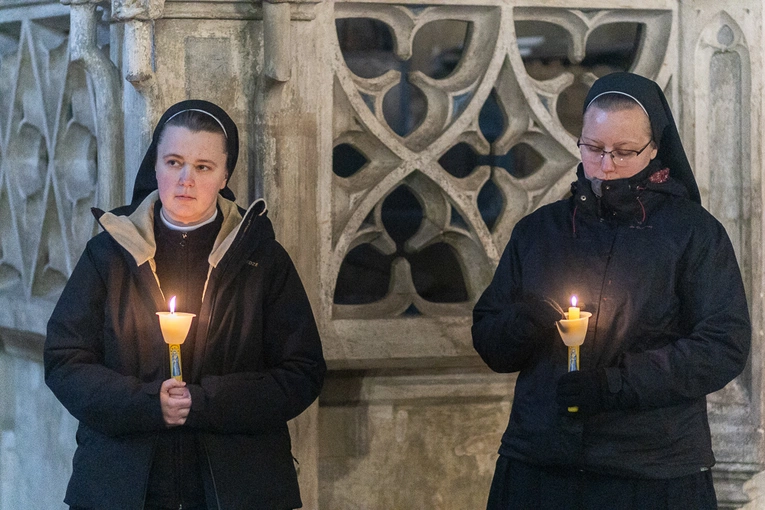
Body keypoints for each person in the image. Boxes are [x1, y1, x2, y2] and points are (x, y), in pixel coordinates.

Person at [472, 72, 751, 509]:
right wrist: (523, 324)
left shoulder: (693, 234)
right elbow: (490, 342)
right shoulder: (538, 232)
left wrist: (615, 385)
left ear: (655, 149)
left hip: (651, 469)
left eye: (623, 152)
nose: (605, 165)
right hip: (541, 464)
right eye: (593, 149)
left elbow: (723, 347)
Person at [44, 100, 326, 510]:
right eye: (173, 162)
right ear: (154, 166)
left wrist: (206, 402)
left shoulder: (262, 258)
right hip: (121, 487)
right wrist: (146, 403)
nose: (185, 180)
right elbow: (65, 360)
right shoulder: (109, 254)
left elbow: (302, 372)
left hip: (239, 489)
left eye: (203, 166)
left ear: (225, 174)